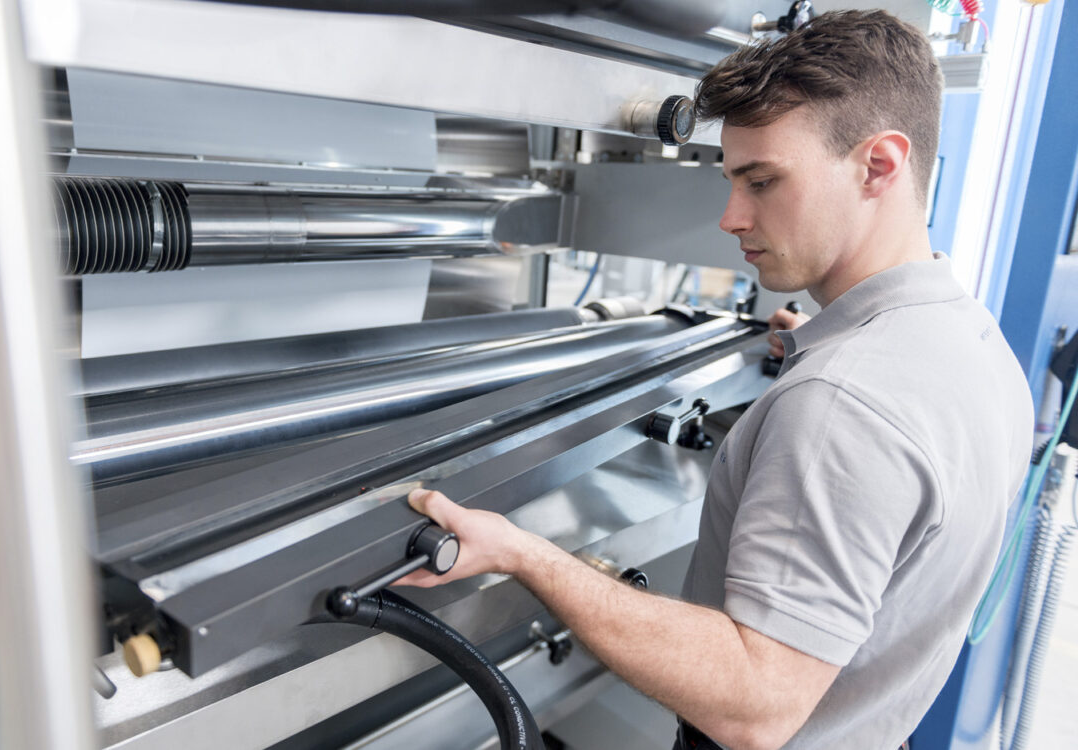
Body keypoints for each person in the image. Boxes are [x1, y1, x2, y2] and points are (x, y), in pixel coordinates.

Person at [397, 11, 1034, 749]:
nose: (731, 217)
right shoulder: (971, 343)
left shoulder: (844, 404)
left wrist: (524, 553)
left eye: (762, 181)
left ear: (879, 166)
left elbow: (755, 705)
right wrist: (826, 357)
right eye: (732, 180)